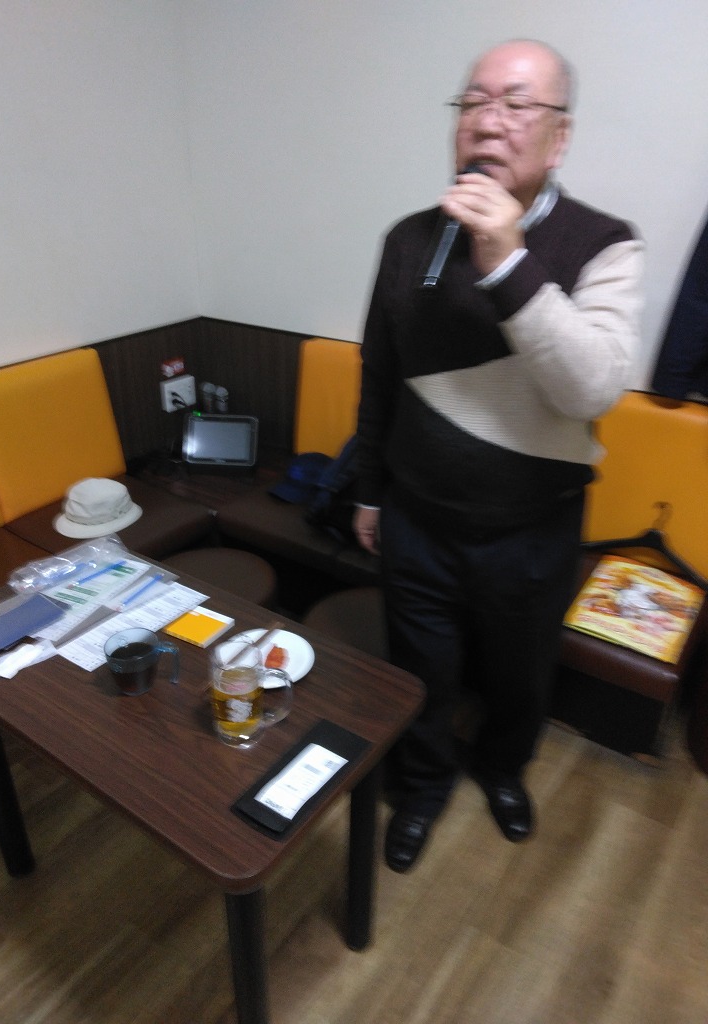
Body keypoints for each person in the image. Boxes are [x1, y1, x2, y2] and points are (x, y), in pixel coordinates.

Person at [353, 39, 643, 872]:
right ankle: (421, 788)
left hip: (533, 531)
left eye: (517, 105)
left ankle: (503, 770)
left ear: (559, 137)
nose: (488, 122)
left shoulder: (604, 244)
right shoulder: (407, 239)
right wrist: (369, 492)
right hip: (416, 519)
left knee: (521, 675)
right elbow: (380, 373)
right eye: (474, 102)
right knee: (421, 671)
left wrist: (507, 258)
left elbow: (593, 390)